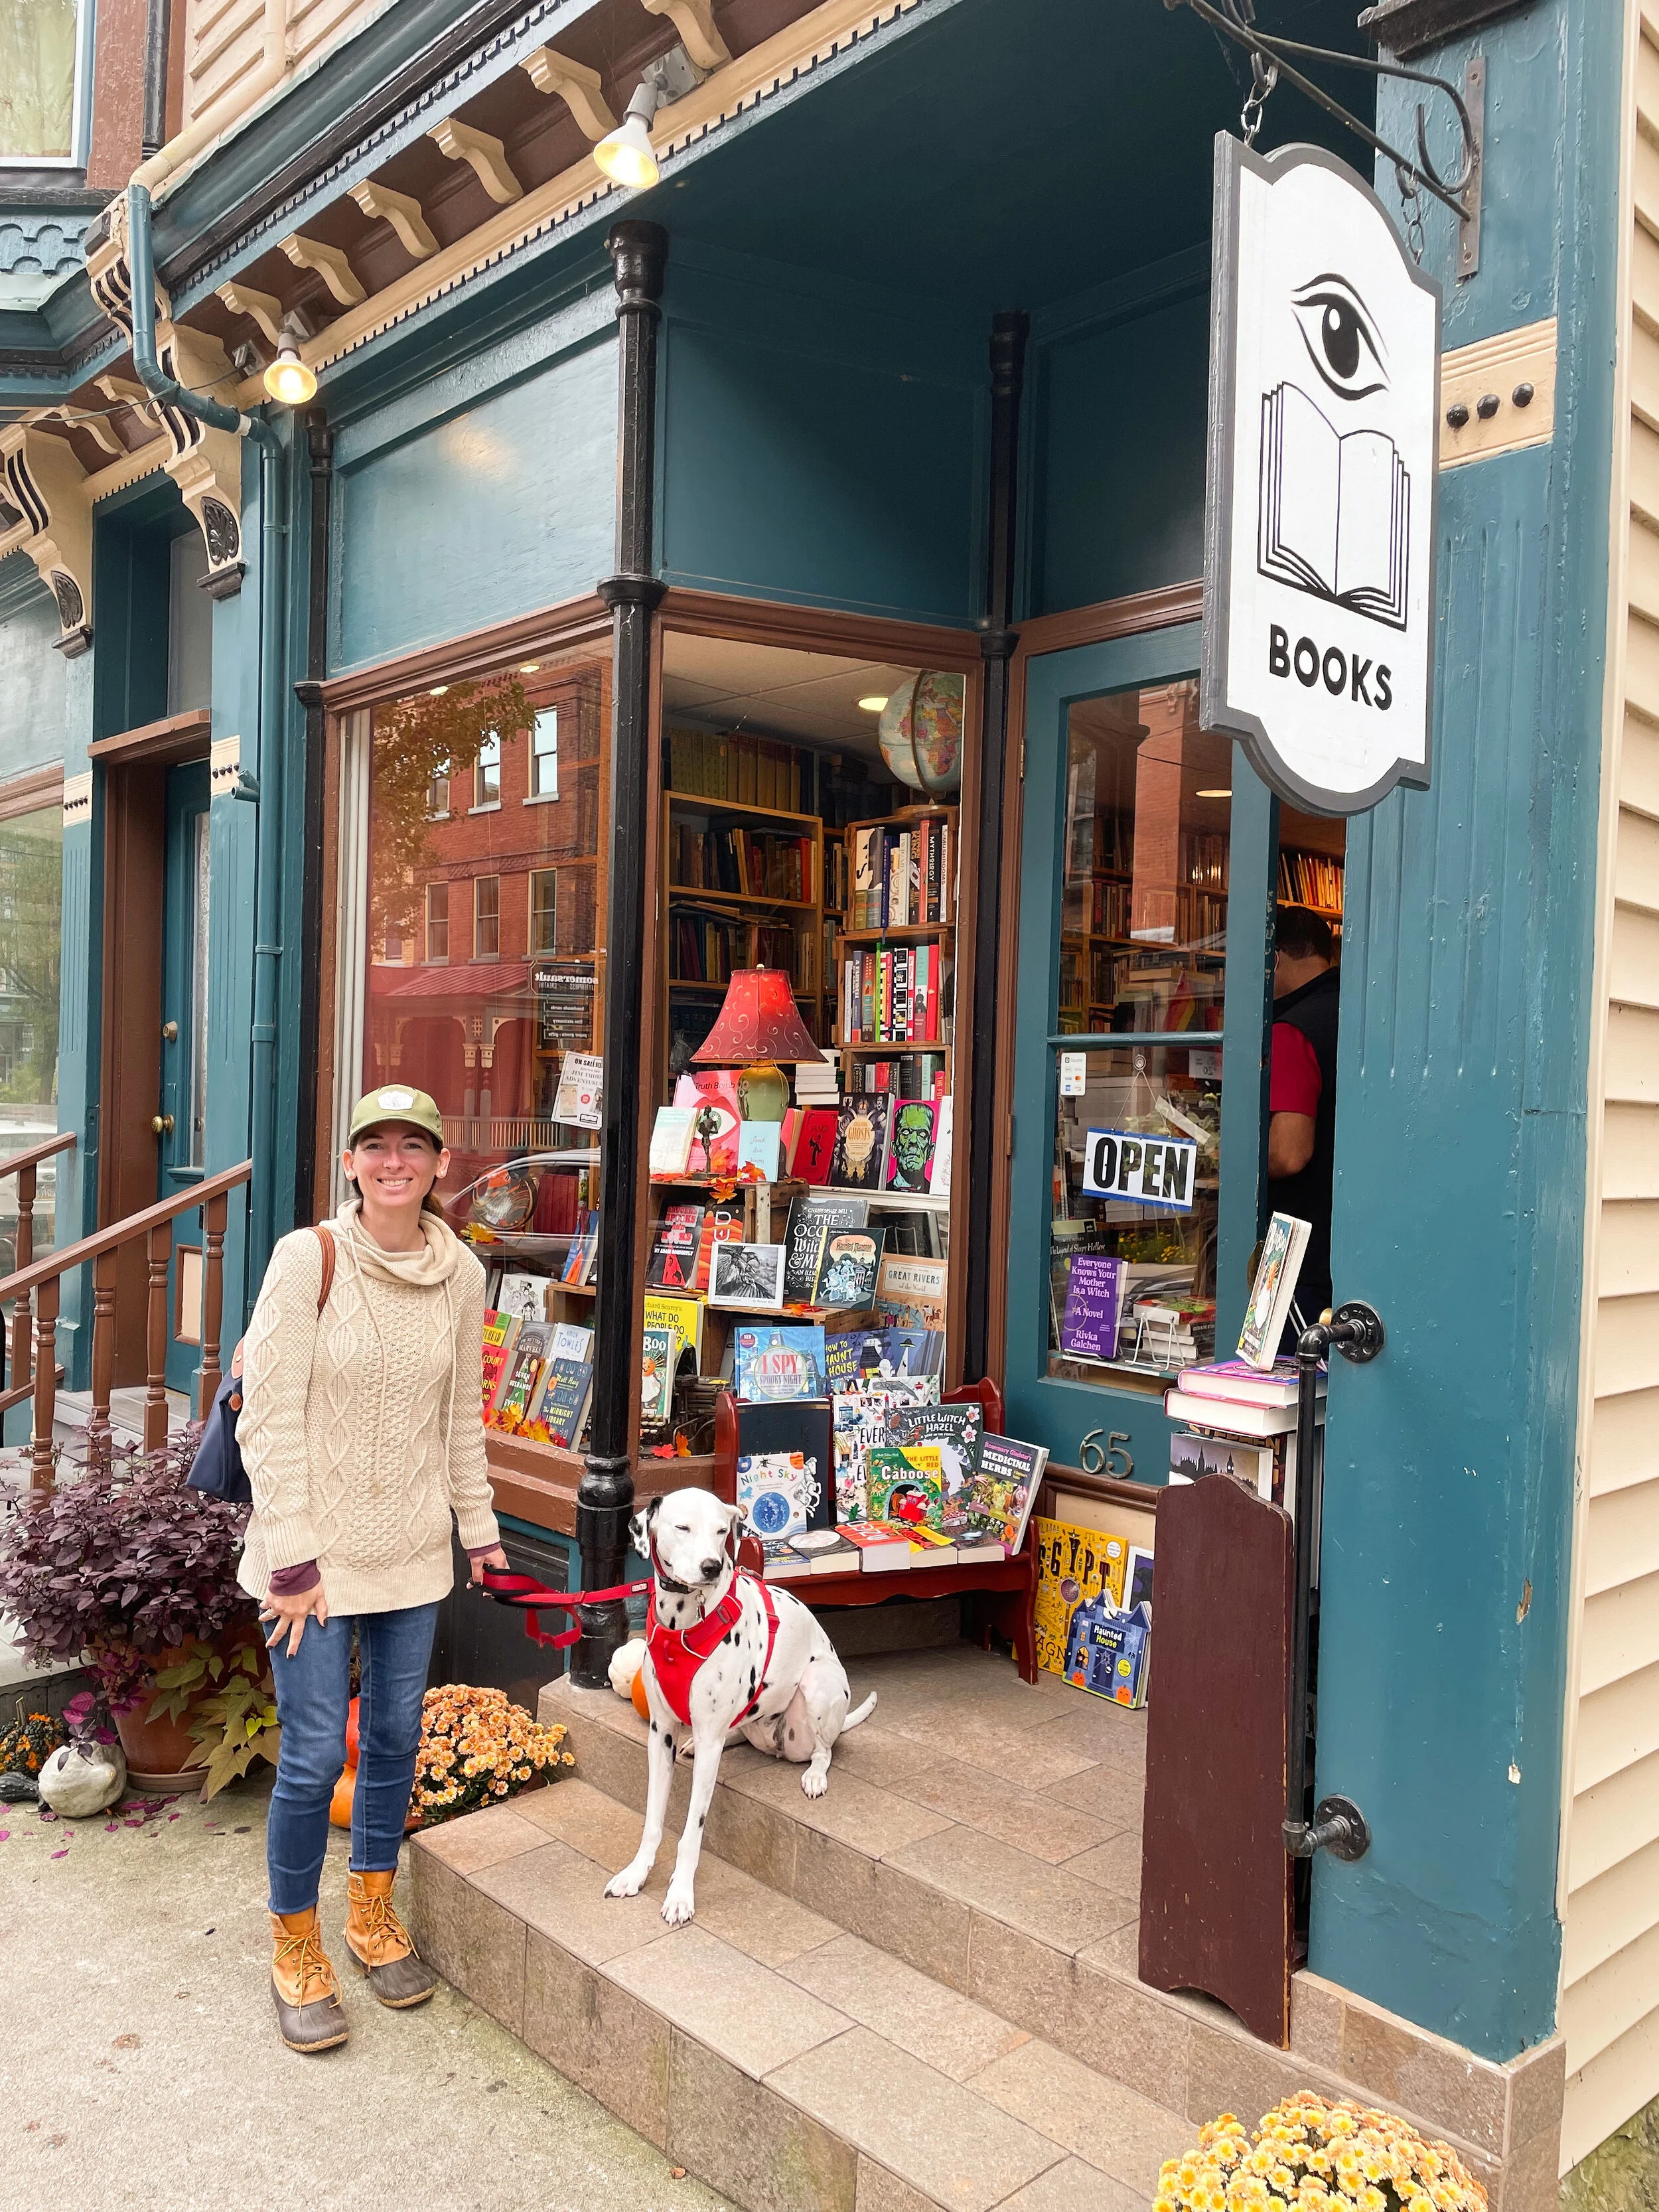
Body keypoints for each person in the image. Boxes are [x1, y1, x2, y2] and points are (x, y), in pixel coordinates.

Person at [238, 1085, 509, 2055]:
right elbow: (267, 1419)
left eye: (413, 1146)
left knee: (395, 1741)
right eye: (376, 1146)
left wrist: (478, 1528)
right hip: (308, 1565)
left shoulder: (463, 1273)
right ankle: (295, 1945)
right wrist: (293, 1556)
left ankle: (370, 1914)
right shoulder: (306, 1258)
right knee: (316, 1756)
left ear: (440, 1165)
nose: (395, 1162)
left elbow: (460, 1418)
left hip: (412, 1555)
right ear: (351, 1162)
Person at [1267, 904, 1340, 1329]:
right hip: (1345, 1241)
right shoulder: (1356, 1011)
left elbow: (1289, 1154)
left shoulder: (1291, 1030)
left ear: (1275, 959)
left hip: (1298, 1254)